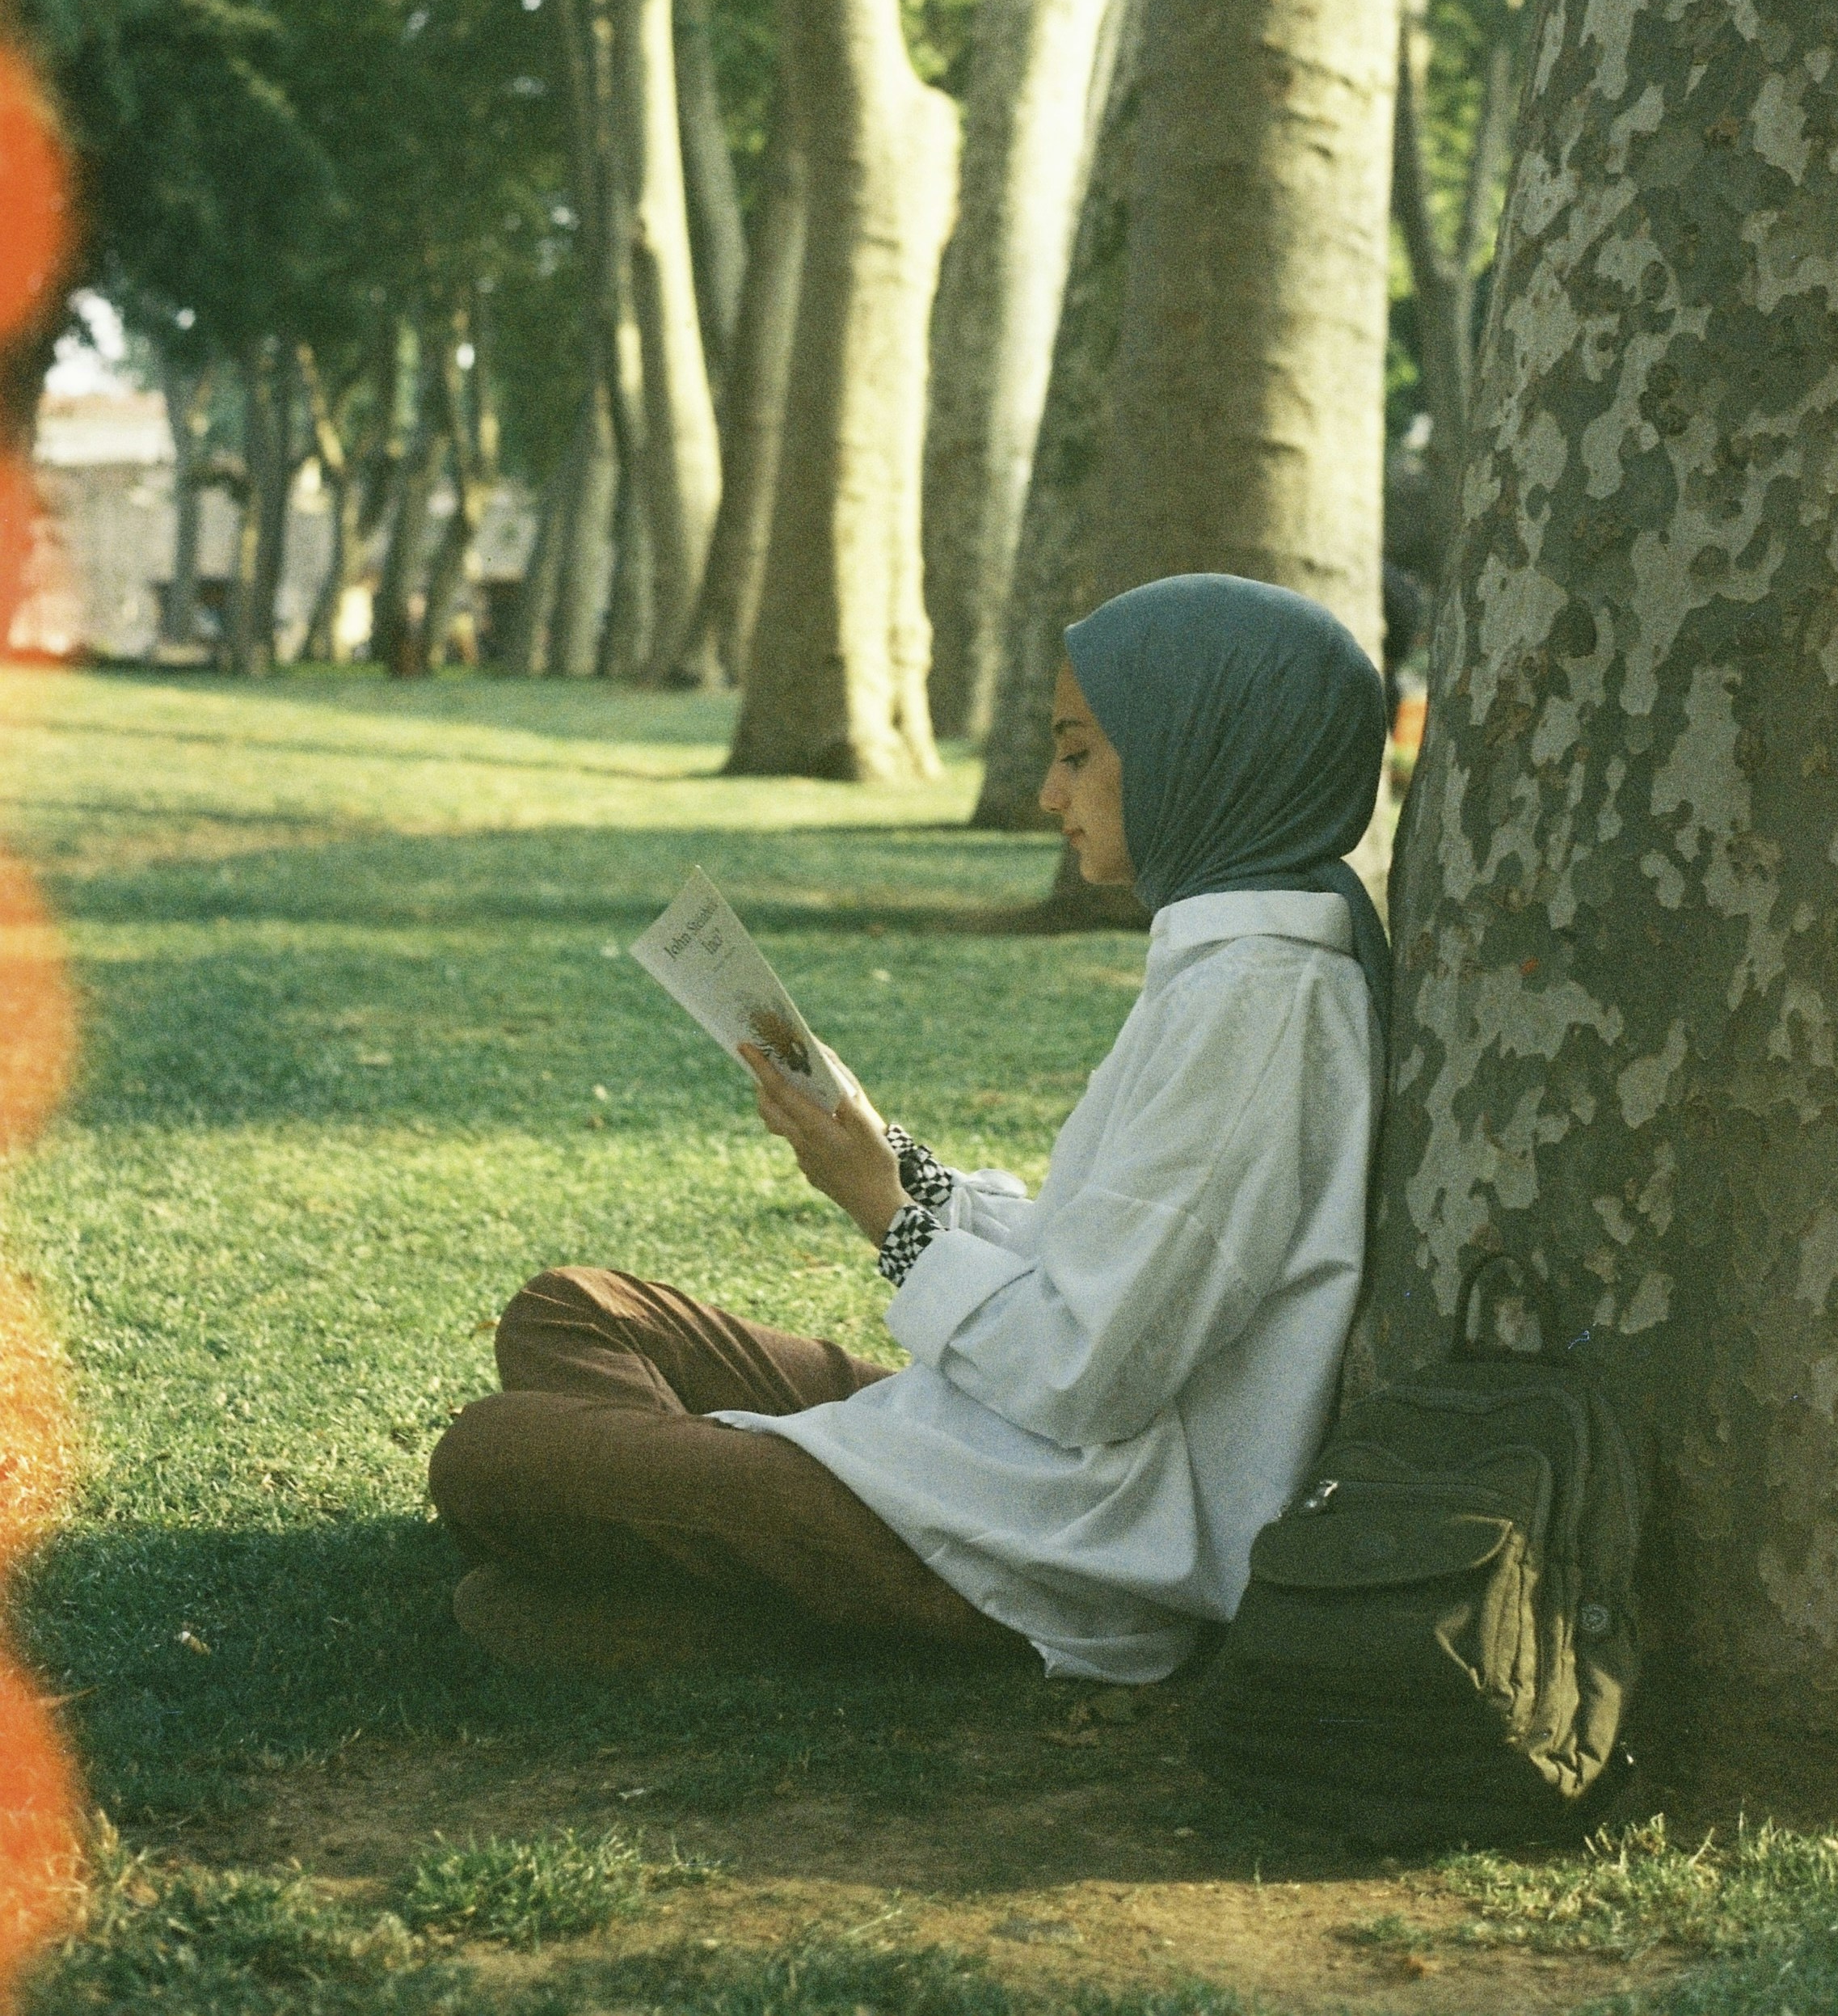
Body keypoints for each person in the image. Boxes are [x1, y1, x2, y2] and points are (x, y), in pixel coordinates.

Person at [428, 571, 1390, 1682]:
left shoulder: (1261, 1006)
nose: (1048, 793)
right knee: (574, 1310)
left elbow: (1087, 1376)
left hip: (1049, 1535)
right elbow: (1095, 1255)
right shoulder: (1227, 968)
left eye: (1077, 754)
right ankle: (708, 1551)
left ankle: (743, 1579)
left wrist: (878, 1208)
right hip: (988, 1448)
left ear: (1198, 751)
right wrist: (896, 1162)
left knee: (491, 1453)